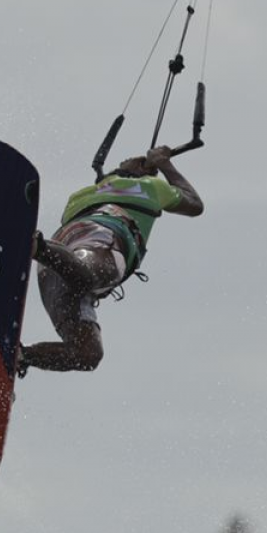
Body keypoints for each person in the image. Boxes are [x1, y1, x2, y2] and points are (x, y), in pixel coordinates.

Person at [20, 145, 204, 375]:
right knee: (91, 277)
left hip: (59, 260)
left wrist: (127, 169)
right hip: (100, 237)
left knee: (87, 354)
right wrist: (164, 164)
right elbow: (195, 204)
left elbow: (111, 181)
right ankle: (34, 245)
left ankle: (20, 355)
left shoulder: (81, 194)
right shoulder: (152, 187)